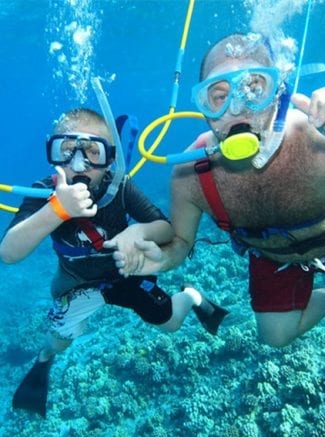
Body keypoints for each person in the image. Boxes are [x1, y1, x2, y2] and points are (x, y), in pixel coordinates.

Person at [109, 33, 325, 349]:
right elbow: (181, 244)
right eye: (218, 96)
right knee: (274, 338)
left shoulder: (319, 140)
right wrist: (162, 259)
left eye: (253, 89)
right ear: (203, 109)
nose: (236, 108)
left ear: (279, 94)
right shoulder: (190, 174)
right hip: (275, 255)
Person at [0, 108, 228, 417]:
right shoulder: (43, 193)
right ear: (51, 154)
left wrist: (138, 231)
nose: (79, 163)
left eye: (93, 152)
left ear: (110, 158)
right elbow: (9, 253)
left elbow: (165, 228)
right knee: (58, 342)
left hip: (125, 274)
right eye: (66, 151)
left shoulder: (119, 185)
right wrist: (56, 209)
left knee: (171, 324)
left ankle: (191, 296)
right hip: (75, 283)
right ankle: (44, 359)